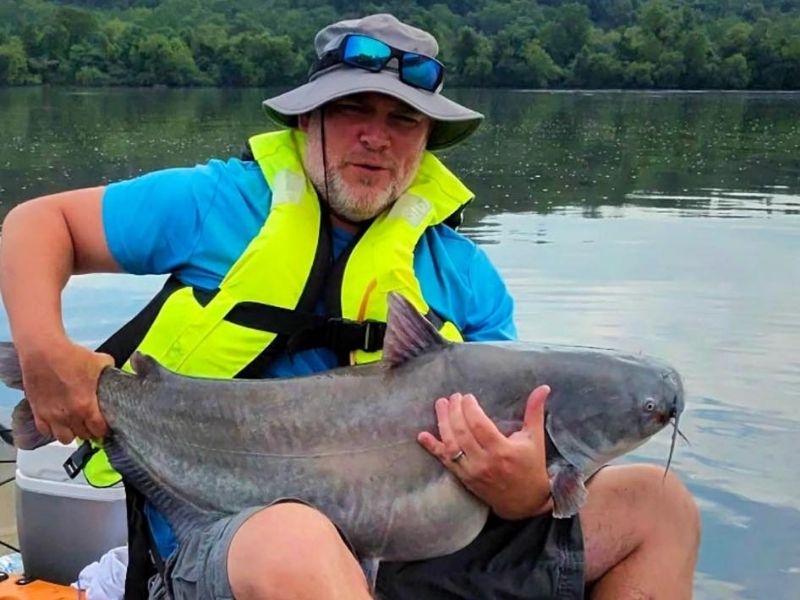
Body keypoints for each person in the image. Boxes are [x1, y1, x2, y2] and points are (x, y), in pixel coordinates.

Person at [0, 13, 700, 600]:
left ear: (427, 138)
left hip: (418, 554)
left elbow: (524, 466)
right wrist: (43, 353)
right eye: (352, 109)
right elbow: (36, 224)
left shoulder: (464, 275)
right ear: (308, 118)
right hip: (228, 543)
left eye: (403, 118)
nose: (377, 136)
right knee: (298, 540)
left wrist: (526, 490)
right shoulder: (216, 204)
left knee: (660, 509)